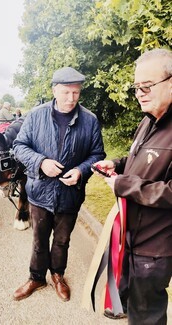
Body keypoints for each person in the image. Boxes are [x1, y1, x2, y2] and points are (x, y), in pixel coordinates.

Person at [12, 67, 106, 302]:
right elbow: (19, 146)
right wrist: (41, 162)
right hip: (39, 192)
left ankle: (57, 276)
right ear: (54, 90)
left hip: (70, 195)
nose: (71, 98)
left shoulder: (90, 120)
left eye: (76, 93)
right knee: (38, 240)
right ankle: (36, 277)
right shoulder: (35, 115)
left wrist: (80, 171)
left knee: (62, 241)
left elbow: (97, 154)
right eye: (66, 92)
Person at [93, 48, 172, 324]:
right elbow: (138, 160)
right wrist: (117, 164)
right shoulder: (148, 119)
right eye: (137, 87)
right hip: (131, 236)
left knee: (147, 316)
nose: (140, 93)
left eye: (147, 86)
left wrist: (124, 185)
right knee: (132, 306)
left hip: (155, 247)